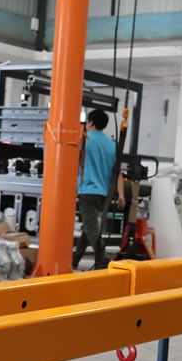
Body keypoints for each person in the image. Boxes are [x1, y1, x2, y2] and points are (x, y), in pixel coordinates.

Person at [72, 109, 124, 270]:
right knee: (89, 226)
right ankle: (75, 259)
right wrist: (121, 195)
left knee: (91, 228)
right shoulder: (112, 145)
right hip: (103, 195)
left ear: (91, 123)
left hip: (87, 191)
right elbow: (118, 172)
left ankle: (104, 260)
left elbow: (72, 162)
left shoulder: (84, 139)